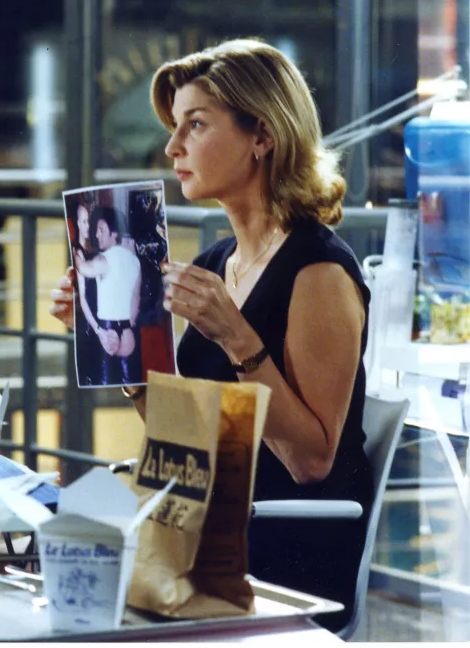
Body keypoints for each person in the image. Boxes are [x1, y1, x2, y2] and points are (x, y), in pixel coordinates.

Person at [49, 38, 372, 633]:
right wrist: (104, 333)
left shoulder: (319, 271)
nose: (172, 147)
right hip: (206, 532)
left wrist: (238, 338)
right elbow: (185, 441)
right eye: (174, 127)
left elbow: (312, 461)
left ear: (263, 135)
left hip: (281, 548)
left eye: (195, 125)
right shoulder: (216, 262)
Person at [74, 205, 142, 386]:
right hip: (128, 329)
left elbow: (82, 268)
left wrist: (75, 250)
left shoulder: (103, 259)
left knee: (104, 383)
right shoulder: (135, 261)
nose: (97, 235)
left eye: (101, 230)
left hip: (106, 329)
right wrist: (130, 323)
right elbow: (136, 297)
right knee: (131, 382)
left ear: (114, 234)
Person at [71, 200, 102, 386]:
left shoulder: (92, 249)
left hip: (99, 314)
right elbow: (83, 299)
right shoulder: (78, 254)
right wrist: (97, 328)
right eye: (83, 221)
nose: (87, 226)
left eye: (88, 221)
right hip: (91, 321)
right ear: (77, 224)